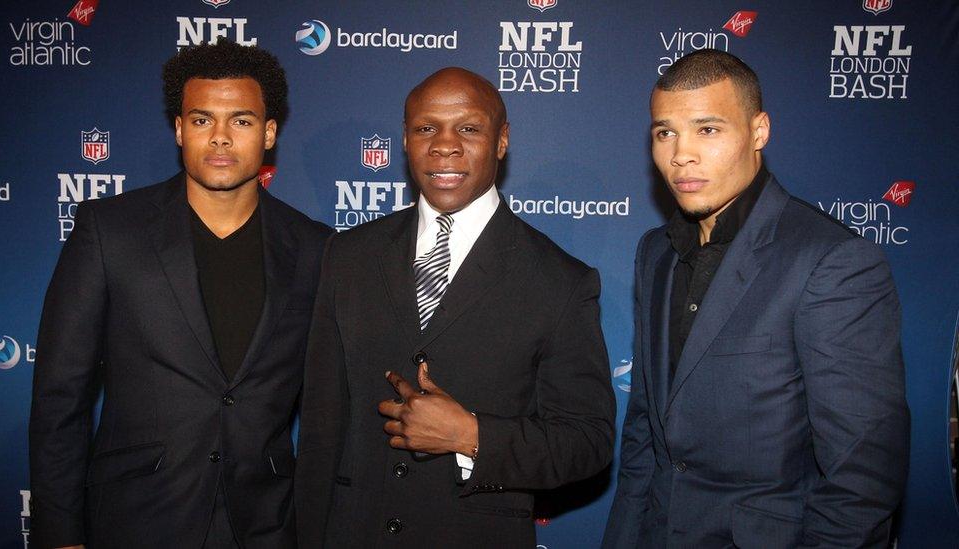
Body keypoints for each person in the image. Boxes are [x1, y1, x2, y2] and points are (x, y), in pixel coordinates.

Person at [295, 67, 615, 548]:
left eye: (468, 128)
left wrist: (472, 435)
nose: (445, 145)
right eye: (426, 128)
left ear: (502, 140)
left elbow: (587, 442)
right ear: (405, 140)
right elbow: (321, 429)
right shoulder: (348, 256)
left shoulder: (560, 280)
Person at [29, 41, 331, 549]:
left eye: (240, 121)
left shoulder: (315, 247)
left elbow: (331, 402)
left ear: (269, 132)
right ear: (178, 129)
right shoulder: (110, 231)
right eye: (200, 120)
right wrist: (60, 533)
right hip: (136, 519)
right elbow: (61, 395)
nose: (219, 138)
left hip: (266, 524)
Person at [602, 49, 909, 548]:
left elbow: (861, 480)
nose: (681, 154)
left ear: (759, 131)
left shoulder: (832, 261)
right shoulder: (655, 253)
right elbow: (645, 434)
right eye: (665, 133)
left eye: (708, 129)